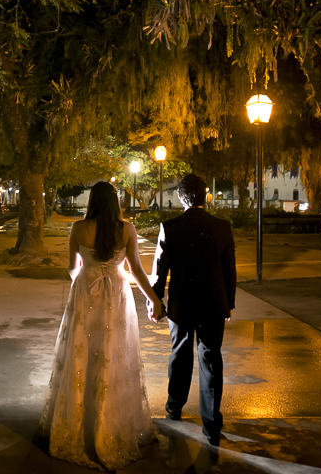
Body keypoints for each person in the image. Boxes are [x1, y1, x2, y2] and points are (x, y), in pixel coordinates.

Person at [38, 181, 164, 471]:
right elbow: (136, 270)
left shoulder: (79, 229)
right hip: (117, 295)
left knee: (82, 353)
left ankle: (80, 420)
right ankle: (108, 422)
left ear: (92, 201)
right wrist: (154, 299)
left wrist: (85, 276)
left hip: (85, 293)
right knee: (112, 354)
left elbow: (72, 267)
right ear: (115, 202)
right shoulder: (126, 229)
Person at [151, 173, 236, 446]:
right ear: (205, 195)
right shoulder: (222, 227)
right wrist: (228, 303)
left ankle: (174, 407)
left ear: (180, 196)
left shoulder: (170, 227)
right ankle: (211, 424)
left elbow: (160, 270)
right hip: (213, 302)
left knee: (180, 353)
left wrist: (156, 299)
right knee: (211, 358)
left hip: (181, 302)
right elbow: (229, 271)